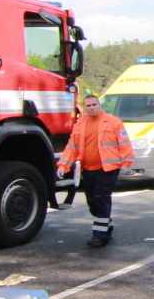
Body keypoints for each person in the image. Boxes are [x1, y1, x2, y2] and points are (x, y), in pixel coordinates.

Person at [57, 94, 134, 247]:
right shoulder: (80, 124)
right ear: (84, 108)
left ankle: (99, 236)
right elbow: (72, 147)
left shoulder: (113, 122)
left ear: (100, 105)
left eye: (94, 105)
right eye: (88, 105)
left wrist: (127, 162)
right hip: (88, 168)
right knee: (92, 201)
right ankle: (106, 225)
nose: (92, 108)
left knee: (101, 198)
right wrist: (63, 165)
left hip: (108, 168)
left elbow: (124, 142)